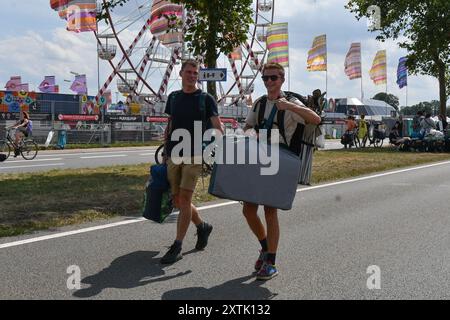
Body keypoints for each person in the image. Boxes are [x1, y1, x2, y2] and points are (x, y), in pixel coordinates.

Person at [242, 62, 321, 280]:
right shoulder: (258, 104)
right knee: (248, 210)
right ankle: (265, 247)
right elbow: (248, 127)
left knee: (269, 211)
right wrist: (250, 134)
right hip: (259, 160)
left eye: (273, 78)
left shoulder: (291, 102)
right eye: (265, 78)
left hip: (281, 161)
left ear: (282, 79)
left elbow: (315, 119)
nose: (269, 82)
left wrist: (290, 107)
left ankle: (271, 262)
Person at [160, 59, 223, 264]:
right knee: (178, 200)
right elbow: (170, 124)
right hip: (173, 153)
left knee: (185, 199)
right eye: (189, 72)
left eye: (195, 73)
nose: (192, 76)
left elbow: (217, 126)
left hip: (195, 154)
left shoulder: (206, 99)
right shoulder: (174, 97)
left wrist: (216, 150)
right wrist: (164, 151)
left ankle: (177, 245)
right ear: (181, 74)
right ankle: (202, 226)